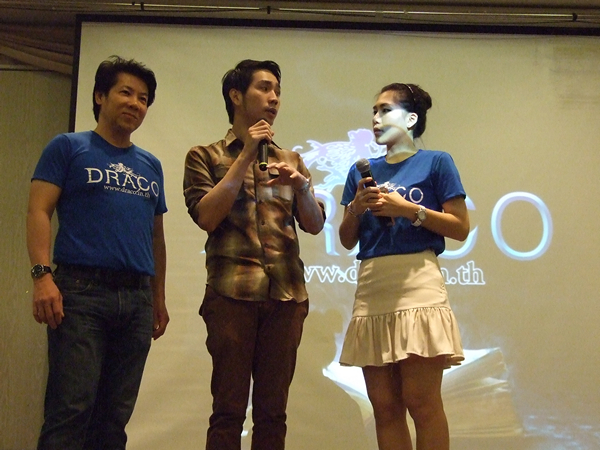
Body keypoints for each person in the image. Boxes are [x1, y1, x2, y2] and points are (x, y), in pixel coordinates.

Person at [27, 55, 169, 450]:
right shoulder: (68, 147)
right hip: (81, 293)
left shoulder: (151, 165)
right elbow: (38, 211)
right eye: (126, 92)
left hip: (137, 299)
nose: (135, 103)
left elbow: (156, 236)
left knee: (114, 418)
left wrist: (158, 297)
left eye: (143, 98)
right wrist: (42, 277)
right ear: (99, 96)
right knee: (71, 410)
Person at [183, 59, 325, 450]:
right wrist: (246, 153)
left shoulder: (291, 160)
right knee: (227, 411)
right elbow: (207, 216)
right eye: (264, 88)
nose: (274, 98)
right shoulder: (204, 156)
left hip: (286, 297)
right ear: (236, 95)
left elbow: (314, 225)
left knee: (273, 413)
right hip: (231, 295)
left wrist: (301, 188)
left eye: (277, 90)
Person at [338, 83, 469, 450]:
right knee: (384, 407)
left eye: (385, 110)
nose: (376, 118)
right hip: (373, 287)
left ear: (411, 119)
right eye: (374, 111)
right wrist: (356, 208)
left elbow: (460, 227)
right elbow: (346, 239)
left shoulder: (436, 162)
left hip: (418, 285)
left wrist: (407, 209)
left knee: (421, 401)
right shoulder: (361, 172)